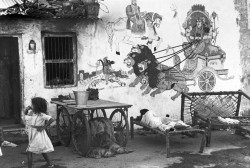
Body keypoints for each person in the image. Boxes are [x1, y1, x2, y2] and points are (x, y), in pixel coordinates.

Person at [24, 97, 55, 168]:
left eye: (32, 105)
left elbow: (51, 119)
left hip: (38, 134)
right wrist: (26, 109)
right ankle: (50, 164)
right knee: (42, 150)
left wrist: (44, 127)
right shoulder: (32, 113)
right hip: (32, 132)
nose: (31, 106)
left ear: (37, 106)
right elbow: (26, 116)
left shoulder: (41, 114)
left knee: (29, 151)